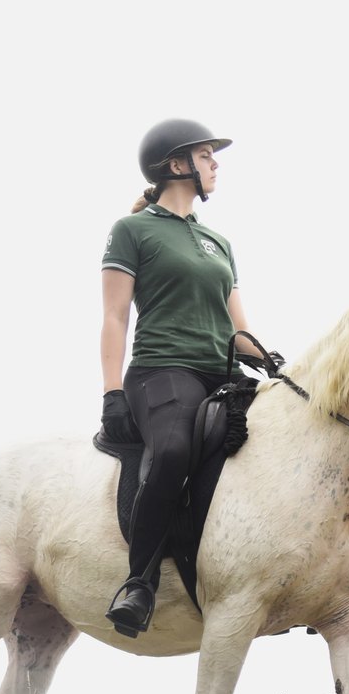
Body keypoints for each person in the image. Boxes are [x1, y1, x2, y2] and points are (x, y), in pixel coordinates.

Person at [99, 117, 272, 637]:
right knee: (173, 451)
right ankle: (139, 583)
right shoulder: (132, 231)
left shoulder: (218, 242)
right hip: (162, 370)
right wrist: (111, 391)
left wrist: (271, 361)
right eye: (206, 155)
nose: (215, 164)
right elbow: (115, 317)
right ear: (176, 165)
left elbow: (238, 330)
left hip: (223, 373)